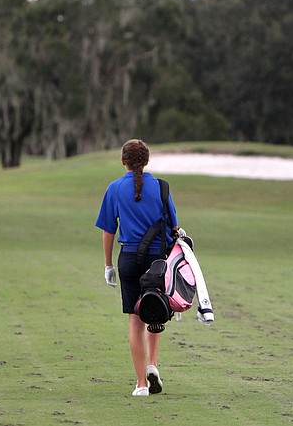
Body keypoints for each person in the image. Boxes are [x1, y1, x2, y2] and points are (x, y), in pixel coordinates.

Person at [95, 139, 178, 397]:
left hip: (129, 258)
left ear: (123, 161)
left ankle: (141, 383)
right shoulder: (162, 188)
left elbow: (109, 231)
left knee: (135, 321)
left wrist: (108, 264)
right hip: (157, 261)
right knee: (156, 312)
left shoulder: (114, 188)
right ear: (147, 161)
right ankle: (153, 364)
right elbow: (174, 228)